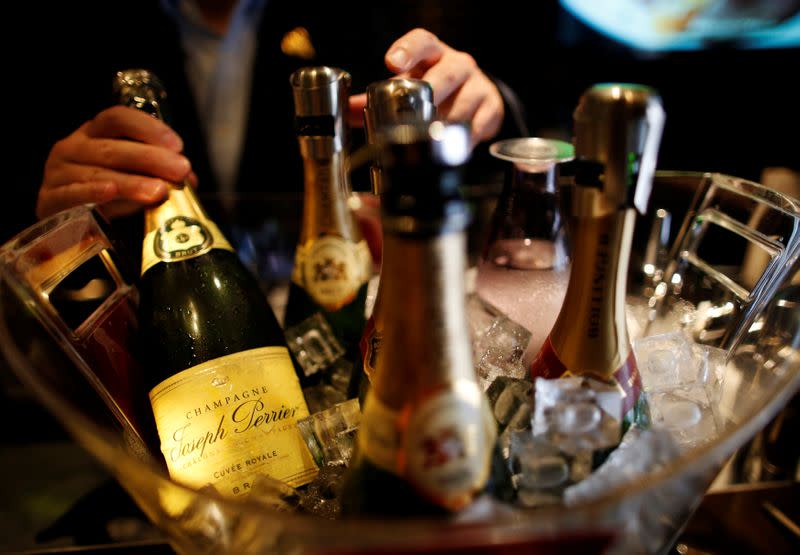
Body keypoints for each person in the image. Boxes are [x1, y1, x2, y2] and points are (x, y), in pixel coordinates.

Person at [23, 1, 520, 239]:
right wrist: (44, 219)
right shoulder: (70, 31)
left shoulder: (351, 13)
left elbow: (459, 155)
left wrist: (484, 107)